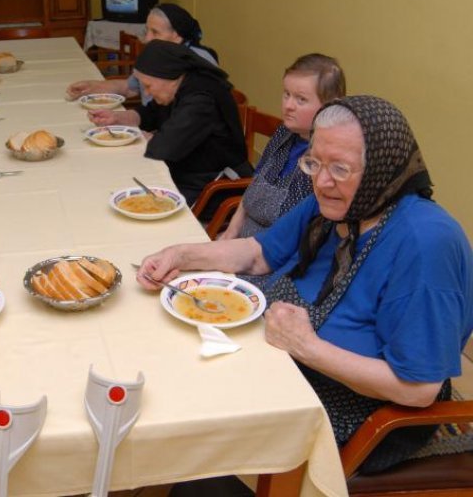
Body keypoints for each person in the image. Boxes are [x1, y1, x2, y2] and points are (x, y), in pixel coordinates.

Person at [138, 95, 473, 475]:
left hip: (360, 413)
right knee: (166, 375)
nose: (322, 181)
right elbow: (257, 253)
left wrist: (307, 347)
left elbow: (419, 389)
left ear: (382, 168)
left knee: (198, 431)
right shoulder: (335, 203)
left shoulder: (424, 242)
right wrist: (181, 256)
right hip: (285, 363)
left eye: (341, 169)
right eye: (314, 162)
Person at [90, 39, 252, 205]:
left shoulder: (201, 100)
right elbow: (150, 113)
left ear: (169, 78)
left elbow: (165, 147)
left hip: (215, 186)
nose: (146, 92)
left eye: (148, 86)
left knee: (126, 193)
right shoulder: (177, 84)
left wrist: (146, 138)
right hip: (184, 171)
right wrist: (117, 118)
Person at [219, 53, 346, 239]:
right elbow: (253, 187)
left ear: (330, 106)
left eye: (301, 99)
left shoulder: (327, 158)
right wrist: (230, 232)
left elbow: (303, 235)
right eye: (287, 94)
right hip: (243, 238)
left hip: (277, 254)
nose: (288, 105)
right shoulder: (284, 132)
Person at [67, 3, 219, 103]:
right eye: (147, 31)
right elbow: (130, 87)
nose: (146, 39)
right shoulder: (156, 56)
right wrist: (92, 87)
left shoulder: (200, 62)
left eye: (155, 32)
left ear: (177, 36)